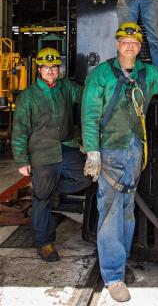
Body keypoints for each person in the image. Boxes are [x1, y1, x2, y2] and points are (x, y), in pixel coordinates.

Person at [81, 22, 158, 302]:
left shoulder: (146, 74)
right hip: (110, 152)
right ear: (117, 44)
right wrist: (93, 151)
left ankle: (121, 261)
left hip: (135, 154)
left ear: (140, 46)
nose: (129, 45)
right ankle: (114, 277)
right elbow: (90, 114)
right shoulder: (102, 75)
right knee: (111, 214)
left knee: (127, 213)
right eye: (125, 41)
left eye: (134, 41)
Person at [11, 48, 91, 262]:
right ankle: (44, 242)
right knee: (41, 199)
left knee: (86, 177)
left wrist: (103, 85)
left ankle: (49, 190)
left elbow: (85, 95)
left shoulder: (65, 87)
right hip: (42, 153)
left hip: (66, 147)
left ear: (59, 69)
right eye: (46, 67)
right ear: (39, 69)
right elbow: (19, 130)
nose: (51, 71)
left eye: (54, 67)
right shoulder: (28, 97)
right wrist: (21, 160)